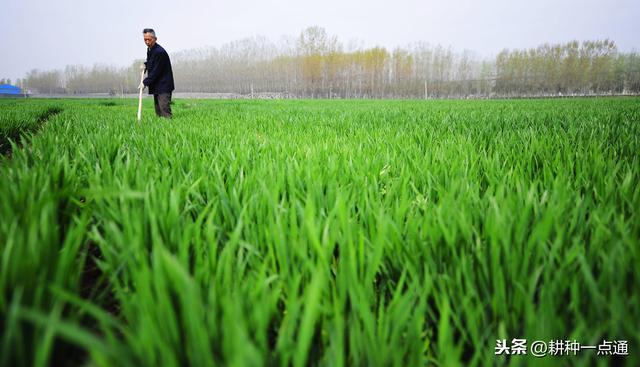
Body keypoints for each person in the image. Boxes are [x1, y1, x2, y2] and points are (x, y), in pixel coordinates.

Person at [139, 28, 175, 118]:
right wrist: (145, 65)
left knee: (164, 110)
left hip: (164, 86)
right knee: (158, 111)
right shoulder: (151, 50)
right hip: (157, 85)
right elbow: (151, 62)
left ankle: (169, 128)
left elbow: (156, 71)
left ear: (155, 39)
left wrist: (144, 83)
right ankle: (160, 129)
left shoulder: (160, 52)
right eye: (145, 39)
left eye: (149, 39)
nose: (147, 42)